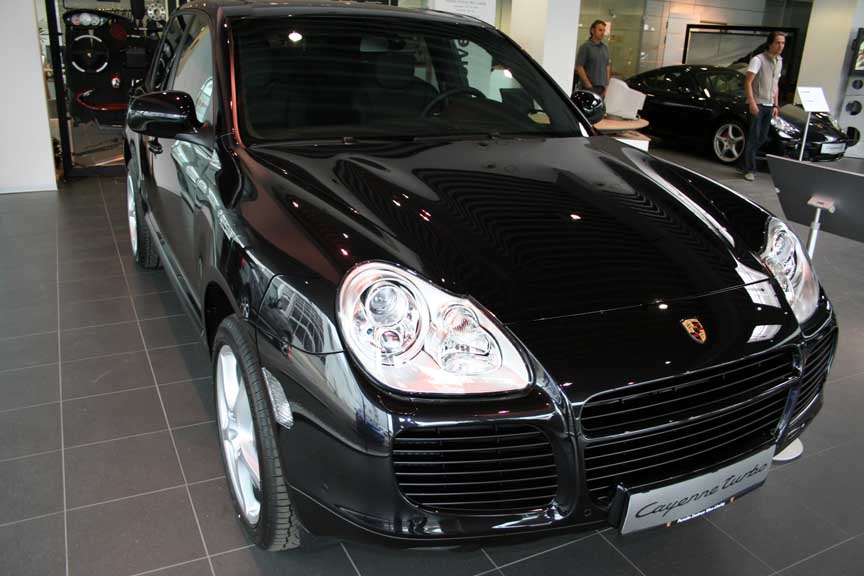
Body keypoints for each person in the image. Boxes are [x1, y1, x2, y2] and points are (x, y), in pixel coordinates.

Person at [742, 31, 785, 181]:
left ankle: (745, 161)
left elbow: (776, 84)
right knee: (754, 137)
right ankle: (749, 169)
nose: (780, 46)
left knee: (762, 137)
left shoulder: (779, 61)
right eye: (778, 42)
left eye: (783, 43)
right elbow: (748, 82)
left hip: (769, 104)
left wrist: (776, 105)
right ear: (770, 43)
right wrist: (752, 102)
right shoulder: (758, 60)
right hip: (758, 103)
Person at [575, 20, 611, 97]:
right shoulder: (585, 47)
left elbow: (607, 66)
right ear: (592, 31)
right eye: (600, 30)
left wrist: (607, 85)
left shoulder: (605, 48)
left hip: (602, 89)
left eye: (603, 30)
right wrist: (588, 85)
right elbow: (579, 67)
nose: (602, 33)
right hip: (588, 88)